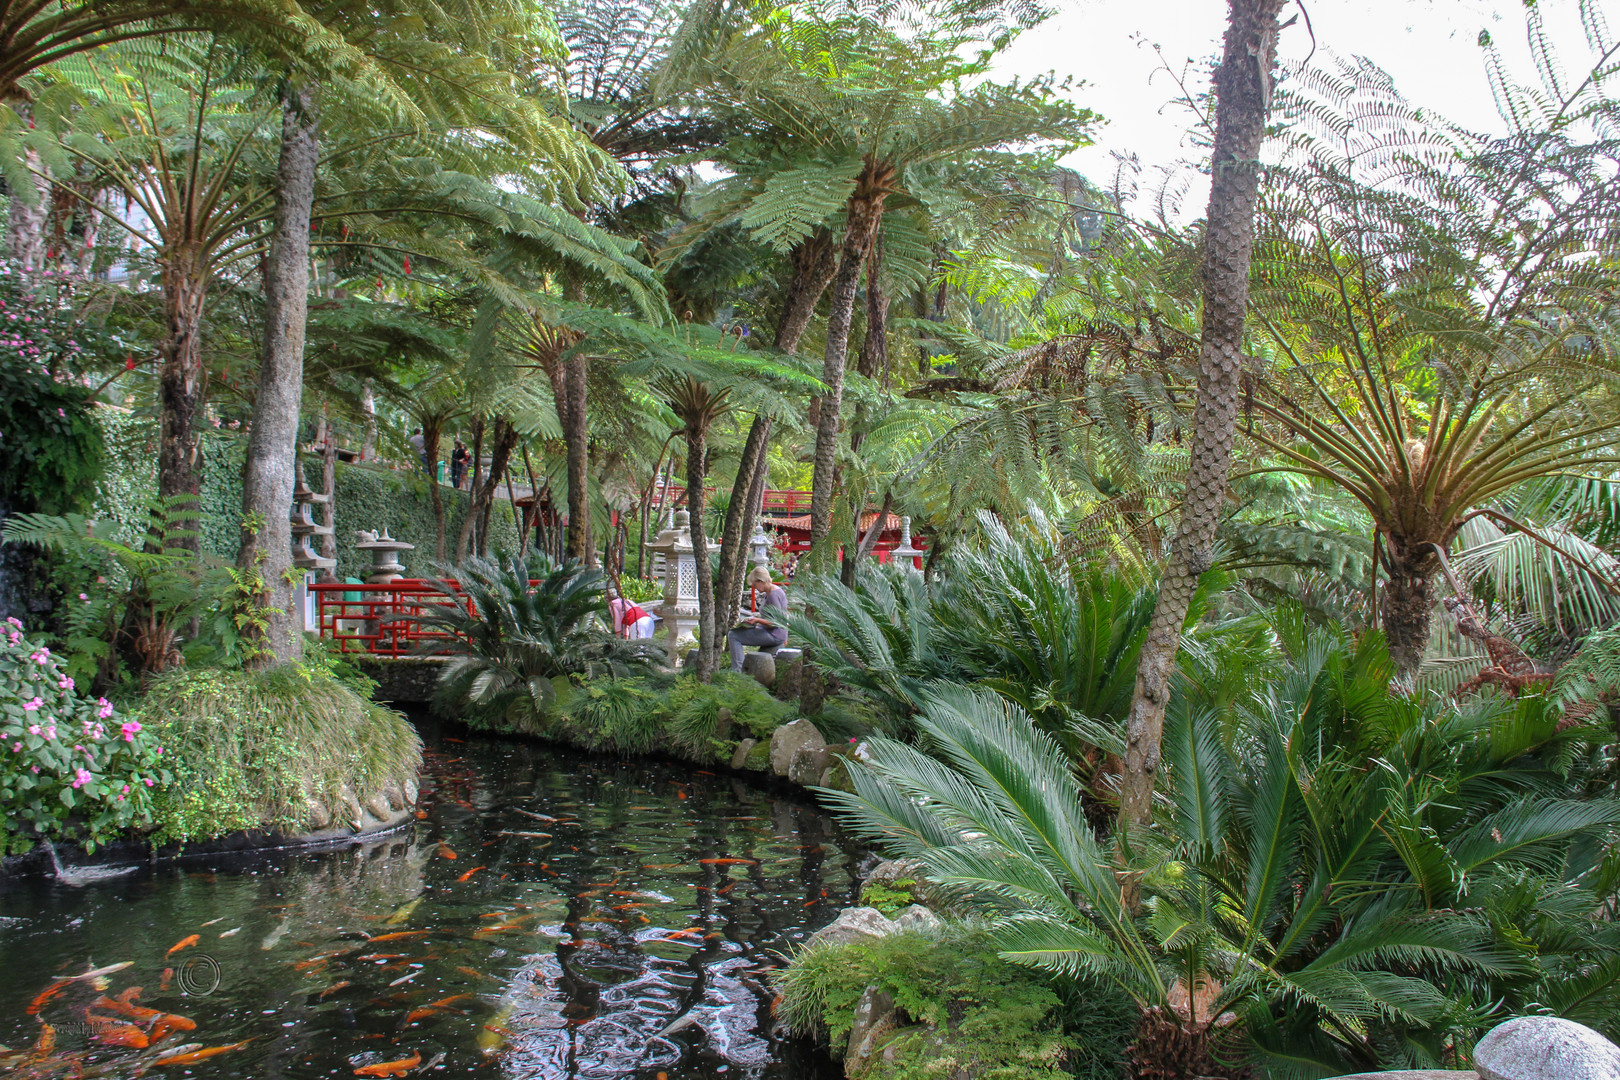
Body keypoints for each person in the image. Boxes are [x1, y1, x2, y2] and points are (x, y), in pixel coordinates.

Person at [729, 565, 788, 672]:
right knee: (737, 632)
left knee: (733, 636)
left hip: (775, 634)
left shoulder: (773, 595)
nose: (754, 588)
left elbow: (777, 622)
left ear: (761, 581)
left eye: (755, 584)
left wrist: (757, 620)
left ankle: (738, 671)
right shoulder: (771, 592)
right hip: (771, 631)